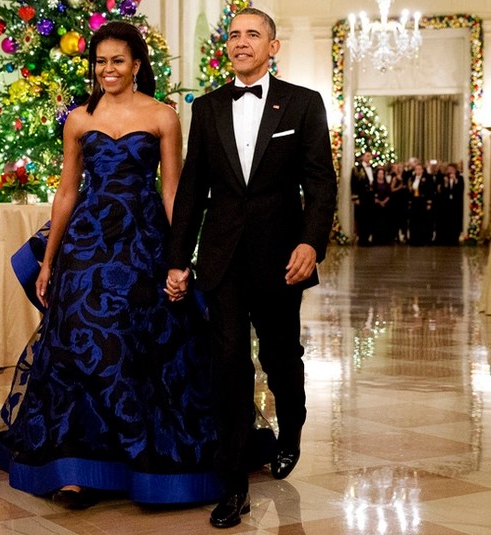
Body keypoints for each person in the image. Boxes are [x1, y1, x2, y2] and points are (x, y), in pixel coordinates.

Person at [0, 21, 224, 508]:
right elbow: (67, 192)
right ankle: (73, 468)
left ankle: (137, 462)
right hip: (86, 245)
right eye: (100, 61)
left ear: (136, 65)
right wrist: (48, 261)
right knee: (75, 342)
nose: (107, 70)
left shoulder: (163, 116)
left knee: (132, 347)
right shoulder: (77, 119)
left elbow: (172, 190)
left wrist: (181, 256)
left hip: (142, 244)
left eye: (117, 61)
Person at [166, 8, 337, 529]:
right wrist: (178, 260)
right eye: (235, 35)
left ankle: (292, 427)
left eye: (253, 34)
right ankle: (234, 483)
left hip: (281, 256)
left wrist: (311, 243)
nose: (241, 42)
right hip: (222, 259)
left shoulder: (303, 103)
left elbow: (320, 183)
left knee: (281, 356)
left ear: (272, 46)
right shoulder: (208, 107)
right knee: (229, 365)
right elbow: (192, 188)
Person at [351, 151, 375, 245]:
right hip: (362, 197)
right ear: (363, 157)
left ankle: (367, 238)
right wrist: (355, 198)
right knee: (361, 218)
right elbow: (353, 183)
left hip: (370, 197)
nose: (369, 157)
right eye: (367, 156)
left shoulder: (372, 168)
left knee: (369, 217)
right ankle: (362, 239)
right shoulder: (357, 169)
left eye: (370, 156)